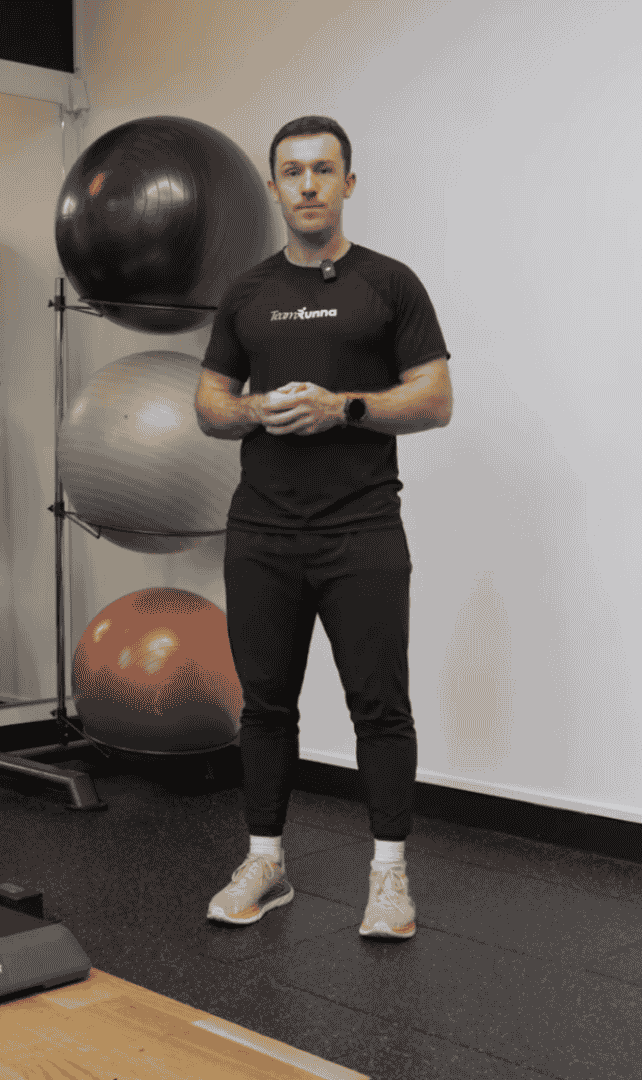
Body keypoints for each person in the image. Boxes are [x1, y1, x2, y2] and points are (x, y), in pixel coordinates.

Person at [194, 116, 453, 940]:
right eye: (292, 171)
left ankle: (387, 876)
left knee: (380, 706)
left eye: (323, 170)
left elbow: (435, 398)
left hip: (362, 530)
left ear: (349, 182)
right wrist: (253, 410)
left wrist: (344, 407)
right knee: (265, 706)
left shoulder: (391, 284)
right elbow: (208, 405)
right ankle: (265, 862)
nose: (307, 185)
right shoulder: (247, 293)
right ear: (272, 187)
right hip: (263, 533)